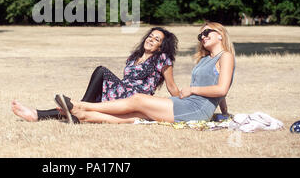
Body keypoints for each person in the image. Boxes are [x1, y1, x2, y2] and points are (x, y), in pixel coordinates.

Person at [57, 22, 235, 124]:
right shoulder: (204, 60)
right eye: (200, 35)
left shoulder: (225, 56)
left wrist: (193, 90)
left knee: (138, 99)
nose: (202, 36)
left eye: (206, 32)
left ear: (220, 34)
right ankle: (83, 117)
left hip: (196, 109)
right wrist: (224, 112)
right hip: (187, 103)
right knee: (136, 115)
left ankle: (80, 106)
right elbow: (217, 89)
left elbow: (221, 89)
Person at [12, 27, 180, 122]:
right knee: (93, 95)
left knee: (101, 71)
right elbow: (125, 81)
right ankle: (38, 114)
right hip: (120, 95)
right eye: (150, 36)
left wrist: (187, 104)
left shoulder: (162, 59)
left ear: (161, 46)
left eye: (156, 39)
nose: (151, 39)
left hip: (136, 99)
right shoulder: (133, 58)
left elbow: (171, 87)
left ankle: (63, 111)